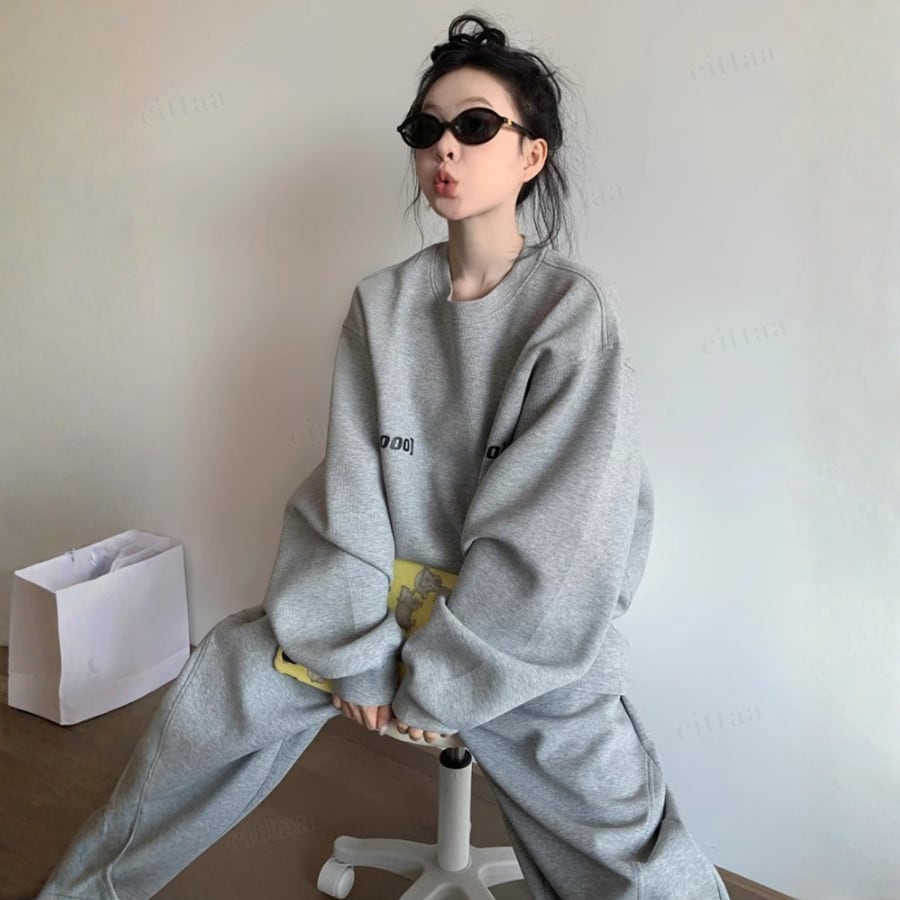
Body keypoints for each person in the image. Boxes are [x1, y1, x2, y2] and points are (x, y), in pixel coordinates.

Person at [37, 12, 730, 900]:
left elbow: (559, 546)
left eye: (475, 125)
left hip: (509, 639)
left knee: (623, 840)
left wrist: (441, 685)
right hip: (377, 603)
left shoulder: (571, 314)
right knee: (215, 698)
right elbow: (352, 488)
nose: (446, 148)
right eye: (424, 129)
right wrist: (359, 654)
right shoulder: (384, 304)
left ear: (532, 154)